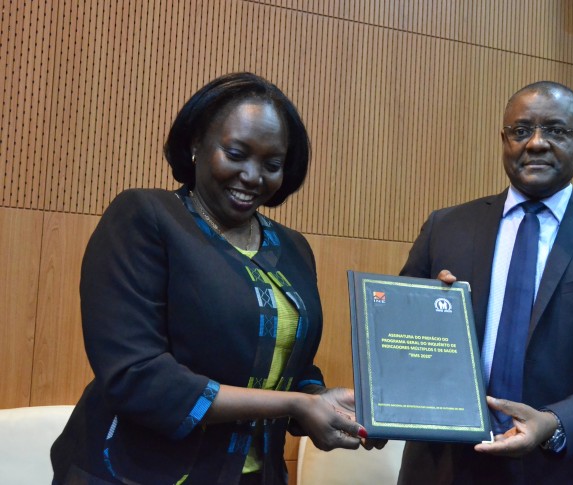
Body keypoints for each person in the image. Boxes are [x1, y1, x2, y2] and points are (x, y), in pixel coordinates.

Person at [51, 72, 369, 485]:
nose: (254, 177)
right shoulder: (145, 217)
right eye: (236, 153)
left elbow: (289, 360)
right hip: (134, 473)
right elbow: (136, 377)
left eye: (272, 165)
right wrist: (293, 404)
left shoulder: (293, 248)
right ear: (196, 144)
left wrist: (319, 400)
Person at [397, 81, 573, 484]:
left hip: (559, 465)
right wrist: (429, 312)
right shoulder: (445, 228)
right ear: (504, 139)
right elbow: (397, 336)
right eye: (521, 131)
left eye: (556, 131)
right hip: (443, 467)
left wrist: (553, 424)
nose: (536, 143)